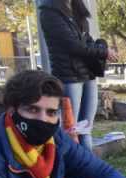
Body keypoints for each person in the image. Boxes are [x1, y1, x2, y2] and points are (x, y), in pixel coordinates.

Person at [38, 0, 114, 152]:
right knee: (70, 129)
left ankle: (87, 169)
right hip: (69, 77)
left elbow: (86, 40)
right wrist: (103, 52)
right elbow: (73, 46)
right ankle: (69, 168)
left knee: (85, 128)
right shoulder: (49, 12)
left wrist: (101, 47)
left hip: (88, 74)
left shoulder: (76, 8)